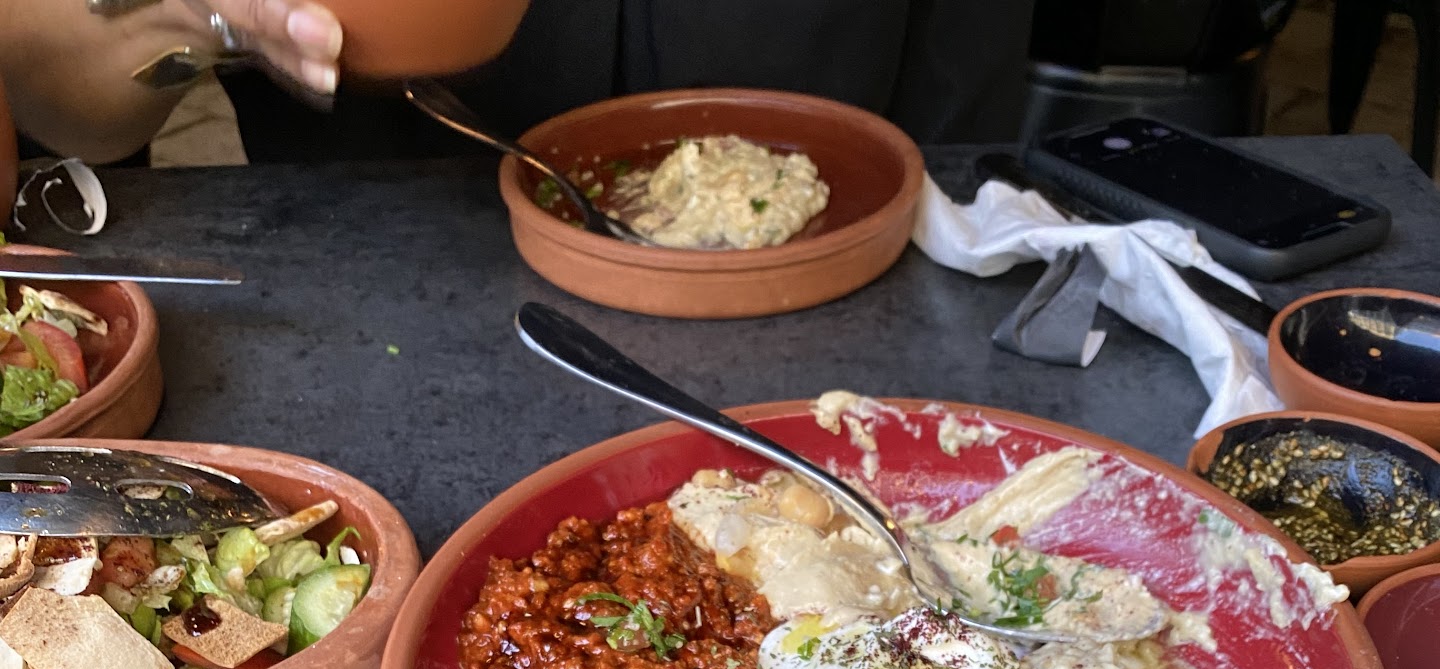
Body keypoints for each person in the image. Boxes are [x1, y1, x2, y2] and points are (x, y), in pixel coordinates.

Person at [5, 0, 1035, 167]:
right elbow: (59, 104)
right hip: (376, 324)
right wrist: (197, 15)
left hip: (819, 327)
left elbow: (966, 114)